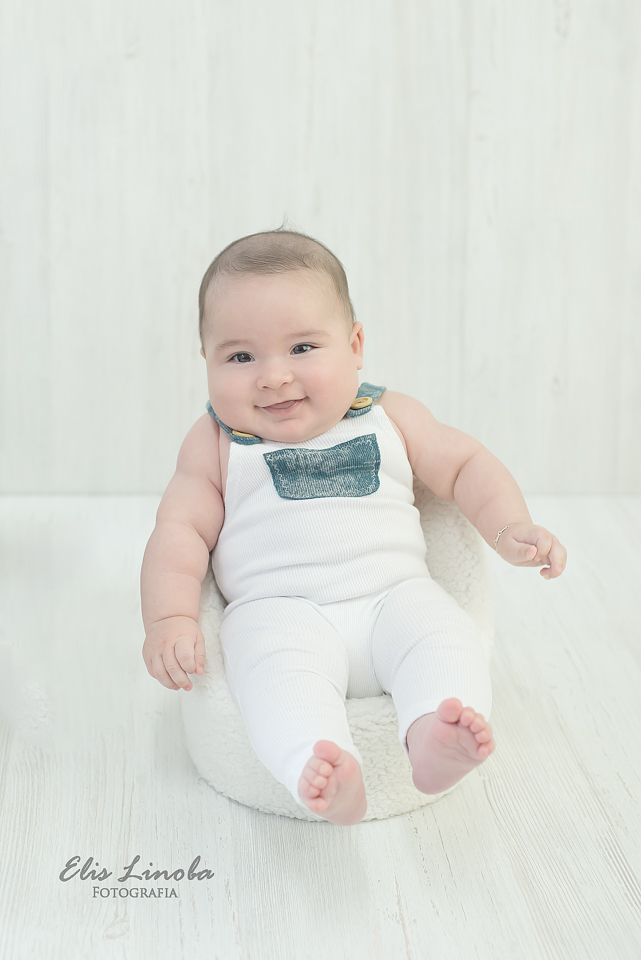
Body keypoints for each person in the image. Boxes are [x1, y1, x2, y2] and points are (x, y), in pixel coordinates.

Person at [141, 228, 567, 826]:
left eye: (302, 348)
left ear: (355, 344)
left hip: (395, 596)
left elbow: (466, 465)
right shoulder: (217, 441)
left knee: (446, 636)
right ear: (207, 361)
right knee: (271, 675)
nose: (273, 376)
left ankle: (435, 731)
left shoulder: (389, 416)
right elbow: (179, 532)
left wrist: (509, 527)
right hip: (279, 610)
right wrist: (169, 619)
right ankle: (318, 764)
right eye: (240, 357)